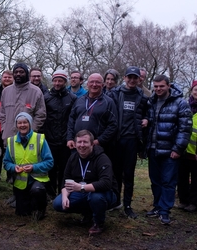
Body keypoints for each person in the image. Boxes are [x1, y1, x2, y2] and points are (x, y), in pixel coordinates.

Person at [146, 75, 192, 225]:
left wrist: (178, 148)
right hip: (153, 148)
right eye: (156, 86)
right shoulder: (151, 102)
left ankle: (165, 211)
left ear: (168, 86)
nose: (158, 89)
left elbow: (185, 128)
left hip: (170, 150)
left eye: (161, 86)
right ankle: (158, 206)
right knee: (155, 181)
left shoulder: (180, 103)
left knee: (168, 181)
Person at [53, 130, 118, 235]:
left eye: (85, 142)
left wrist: (81, 188)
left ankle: (98, 223)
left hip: (104, 193)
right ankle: (88, 213)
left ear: (92, 144)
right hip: (81, 192)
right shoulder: (73, 158)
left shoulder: (102, 158)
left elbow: (106, 183)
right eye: (79, 142)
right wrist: (65, 197)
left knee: (96, 198)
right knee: (58, 203)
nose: (82, 145)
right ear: (75, 144)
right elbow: (66, 180)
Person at [107, 66, 149, 218]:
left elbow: (148, 114)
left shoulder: (143, 97)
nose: (132, 80)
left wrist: (147, 119)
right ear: (124, 78)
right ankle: (116, 201)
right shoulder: (114, 94)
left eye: (135, 78)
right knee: (115, 173)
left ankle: (128, 205)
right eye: (129, 77)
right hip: (116, 140)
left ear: (139, 79)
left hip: (132, 140)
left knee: (129, 175)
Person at [3, 112, 53, 220]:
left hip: (37, 179)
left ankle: (41, 208)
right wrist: (13, 168)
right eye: (19, 123)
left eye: (25, 122)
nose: (22, 125)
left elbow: (49, 162)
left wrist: (34, 167)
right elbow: (6, 162)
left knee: (37, 190)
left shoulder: (40, 139)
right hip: (20, 183)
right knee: (22, 213)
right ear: (16, 125)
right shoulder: (11, 141)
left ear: (30, 124)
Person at [41, 70, 77, 196]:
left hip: (65, 140)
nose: (57, 83)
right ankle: (50, 192)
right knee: (50, 167)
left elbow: (74, 118)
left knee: (64, 168)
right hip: (49, 139)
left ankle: (63, 191)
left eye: (60, 81)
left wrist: (70, 136)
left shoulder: (72, 98)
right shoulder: (46, 98)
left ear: (64, 82)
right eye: (55, 80)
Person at [67, 73, 118, 155]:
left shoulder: (108, 102)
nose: (94, 85)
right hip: (78, 146)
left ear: (102, 84)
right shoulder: (79, 100)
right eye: (92, 82)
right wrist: (69, 138)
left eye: (97, 82)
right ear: (87, 84)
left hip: (97, 147)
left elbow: (113, 125)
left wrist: (100, 140)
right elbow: (71, 120)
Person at [0, 62, 46, 142]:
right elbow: (2, 113)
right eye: (16, 72)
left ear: (27, 74)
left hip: (29, 138)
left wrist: (31, 130)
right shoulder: (6, 91)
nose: (18, 74)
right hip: (9, 138)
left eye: (21, 72)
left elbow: (40, 115)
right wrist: (5, 127)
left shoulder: (36, 92)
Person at [177, 80, 197, 212]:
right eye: (196, 90)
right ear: (191, 91)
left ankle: (194, 203)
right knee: (182, 177)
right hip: (183, 150)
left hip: (195, 152)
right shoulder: (185, 106)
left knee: (196, 179)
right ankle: (183, 201)